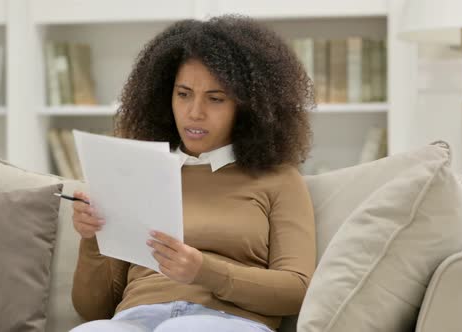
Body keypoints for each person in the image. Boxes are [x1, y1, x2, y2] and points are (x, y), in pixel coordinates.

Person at [70, 15, 316, 332]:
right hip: (136, 318)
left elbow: (296, 290)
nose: (194, 112)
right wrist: (92, 239)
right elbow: (93, 309)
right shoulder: (140, 172)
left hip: (227, 321)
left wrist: (204, 271)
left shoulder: (279, 179)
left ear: (247, 107)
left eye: (215, 98)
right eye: (183, 94)